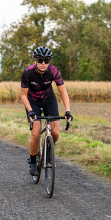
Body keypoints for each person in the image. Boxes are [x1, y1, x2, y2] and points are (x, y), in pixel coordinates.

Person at [20, 46, 73, 176]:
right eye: (40, 60)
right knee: (36, 133)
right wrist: (31, 111)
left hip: (49, 99)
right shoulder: (28, 72)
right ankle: (33, 160)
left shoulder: (54, 71)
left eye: (46, 60)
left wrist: (67, 111)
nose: (43, 63)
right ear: (35, 60)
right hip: (33, 102)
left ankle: (49, 151)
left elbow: (63, 92)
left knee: (55, 133)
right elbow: (23, 95)